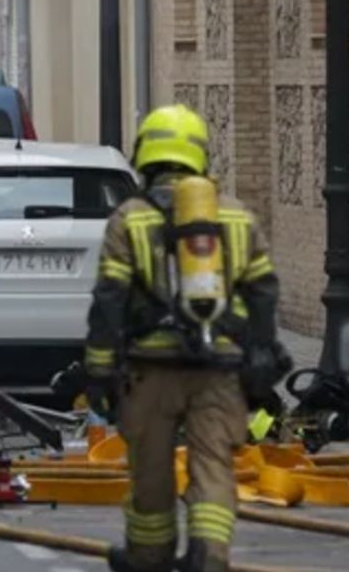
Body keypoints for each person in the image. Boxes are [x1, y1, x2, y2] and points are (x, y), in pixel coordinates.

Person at [86, 105, 287, 572]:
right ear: (199, 154)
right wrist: (260, 353)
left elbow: (109, 301)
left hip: (150, 369)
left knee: (151, 472)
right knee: (213, 467)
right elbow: (263, 290)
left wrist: (99, 370)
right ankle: (210, 556)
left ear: (145, 154)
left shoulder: (130, 219)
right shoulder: (236, 217)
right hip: (221, 370)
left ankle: (148, 557)